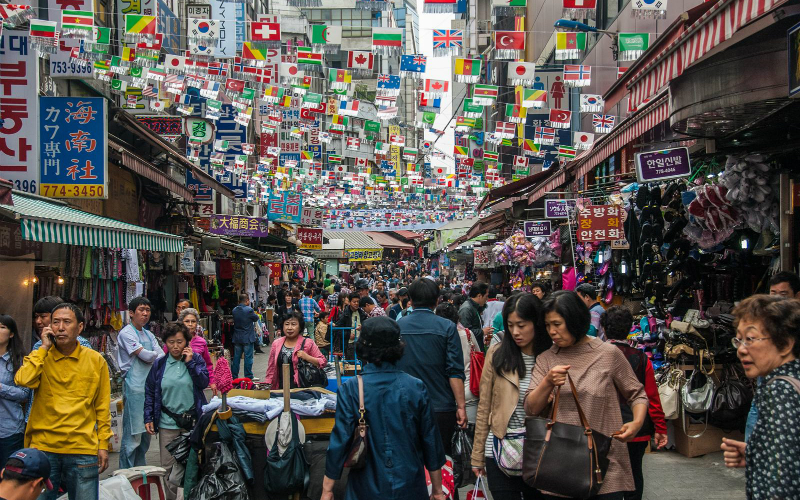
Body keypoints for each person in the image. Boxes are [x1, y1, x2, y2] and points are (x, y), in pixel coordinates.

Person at [525, 291, 649, 499]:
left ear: (574, 319)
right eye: (548, 326)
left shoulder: (607, 354)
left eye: (557, 324)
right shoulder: (546, 359)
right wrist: (547, 382)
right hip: (560, 467)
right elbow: (531, 408)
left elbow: (637, 394)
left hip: (606, 465)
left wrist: (636, 423)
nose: (552, 331)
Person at [321, 317, 447, 500]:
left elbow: (340, 441)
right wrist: (437, 489)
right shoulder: (416, 387)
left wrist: (327, 489)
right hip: (410, 484)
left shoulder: (352, 388)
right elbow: (431, 441)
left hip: (365, 487)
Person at [15, 303, 111, 500]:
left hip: (82, 447)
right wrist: (43, 348)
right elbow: (23, 380)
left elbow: (102, 406)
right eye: (56, 322)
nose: (60, 327)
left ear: (80, 327)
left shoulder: (95, 360)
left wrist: (103, 444)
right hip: (43, 447)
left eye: (67, 322)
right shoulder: (41, 356)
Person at [471, 293, 552, 499]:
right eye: (510, 325)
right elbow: (485, 405)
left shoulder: (551, 356)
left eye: (522, 325)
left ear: (537, 322)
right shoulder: (498, 353)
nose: (515, 332)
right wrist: (478, 455)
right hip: (499, 449)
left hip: (541, 451)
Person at [720, 295, 800, 499]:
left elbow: (783, 485)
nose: (741, 350)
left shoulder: (780, 390)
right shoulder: (792, 378)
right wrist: (757, 452)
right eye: (739, 340)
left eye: (751, 339)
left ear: (785, 345)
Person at [600, 306, 668, 500]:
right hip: (635, 428)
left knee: (607, 474)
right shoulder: (641, 358)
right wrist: (660, 427)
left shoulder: (598, 355)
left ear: (603, 328)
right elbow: (651, 396)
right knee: (634, 473)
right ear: (630, 329)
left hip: (605, 427)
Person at [397, 278, 466, 457]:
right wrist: (461, 406)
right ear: (437, 300)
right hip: (441, 407)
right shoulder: (448, 327)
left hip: (403, 404)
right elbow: (455, 371)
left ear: (410, 300)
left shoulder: (397, 327)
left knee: (408, 459)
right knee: (440, 461)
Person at [144, 322, 209, 500]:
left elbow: (203, 382)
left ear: (186, 342)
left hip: (192, 421)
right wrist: (148, 416)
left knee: (194, 464)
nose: (175, 346)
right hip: (167, 423)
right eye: (171, 342)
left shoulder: (196, 360)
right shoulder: (159, 365)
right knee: (168, 467)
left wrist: (190, 363)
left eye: (179, 342)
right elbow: (150, 392)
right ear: (165, 343)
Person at [116, 296, 163, 469]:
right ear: (131, 313)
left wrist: (152, 355)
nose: (145, 314)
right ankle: (126, 472)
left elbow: (160, 355)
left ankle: (140, 470)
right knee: (132, 435)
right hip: (134, 387)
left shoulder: (148, 333)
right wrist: (151, 354)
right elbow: (147, 355)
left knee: (145, 433)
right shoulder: (126, 333)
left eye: (147, 310)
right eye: (141, 310)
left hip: (148, 388)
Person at [434, 302, 482, 424]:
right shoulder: (467, 334)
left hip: (445, 395)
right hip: (469, 391)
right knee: (469, 436)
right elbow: (478, 354)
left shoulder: (436, 338)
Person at [264, 311, 327, 389]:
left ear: (300, 327)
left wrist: (307, 357)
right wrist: (267, 387)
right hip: (280, 389)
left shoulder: (308, 343)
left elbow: (323, 362)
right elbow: (271, 369)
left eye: (293, 324)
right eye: (287, 324)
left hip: (302, 389)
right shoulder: (276, 344)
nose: (289, 328)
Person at [0, 315, 29, 461]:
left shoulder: (18, 360)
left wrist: (1, 388)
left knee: (8, 478)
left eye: (2, 327)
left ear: (11, 334)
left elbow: (25, 394)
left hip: (9, 430)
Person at [232, 293, 259, 380]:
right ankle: (248, 376)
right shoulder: (249, 310)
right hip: (247, 337)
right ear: (247, 301)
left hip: (237, 337)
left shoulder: (234, 310)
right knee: (248, 358)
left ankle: (234, 376)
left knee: (236, 358)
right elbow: (256, 318)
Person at [459, 281, 492, 350]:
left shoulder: (475, 307)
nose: (487, 299)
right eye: (486, 296)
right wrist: (482, 331)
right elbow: (465, 332)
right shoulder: (466, 309)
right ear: (479, 296)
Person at [335, 293, 367, 358]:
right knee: (351, 365)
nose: (356, 303)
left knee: (362, 363)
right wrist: (348, 335)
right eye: (354, 302)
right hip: (350, 344)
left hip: (361, 342)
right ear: (349, 302)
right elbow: (337, 329)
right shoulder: (345, 315)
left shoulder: (362, 313)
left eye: (357, 301)